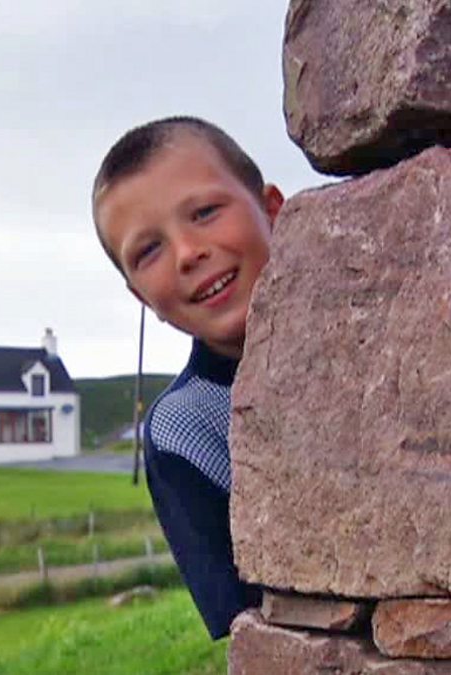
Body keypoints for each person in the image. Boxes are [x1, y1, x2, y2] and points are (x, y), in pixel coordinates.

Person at [91, 116, 284, 639]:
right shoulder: (183, 431)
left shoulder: (391, 319)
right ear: (140, 297)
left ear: (274, 210)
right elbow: (255, 637)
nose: (187, 253)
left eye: (204, 213)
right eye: (148, 250)